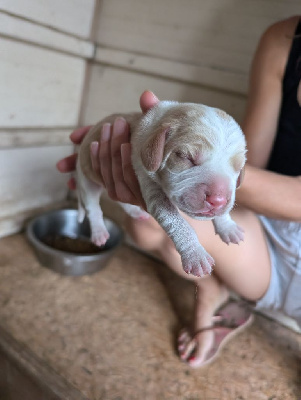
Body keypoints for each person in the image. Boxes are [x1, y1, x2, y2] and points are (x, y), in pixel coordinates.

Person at [57, 16, 301, 368]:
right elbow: (247, 160)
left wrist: (220, 203)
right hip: (265, 233)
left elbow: (238, 172)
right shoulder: (284, 40)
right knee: (143, 223)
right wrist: (220, 185)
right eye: (188, 157)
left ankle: (220, 290)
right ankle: (213, 291)